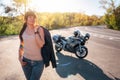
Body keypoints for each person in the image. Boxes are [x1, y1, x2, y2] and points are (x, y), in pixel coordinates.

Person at [18, 11, 57, 80]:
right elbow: (21, 45)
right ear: (26, 19)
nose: (32, 19)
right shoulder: (23, 30)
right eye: (30, 17)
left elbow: (41, 44)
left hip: (38, 62)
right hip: (25, 61)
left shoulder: (39, 29)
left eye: (34, 17)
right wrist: (19, 57)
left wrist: (35, 31)